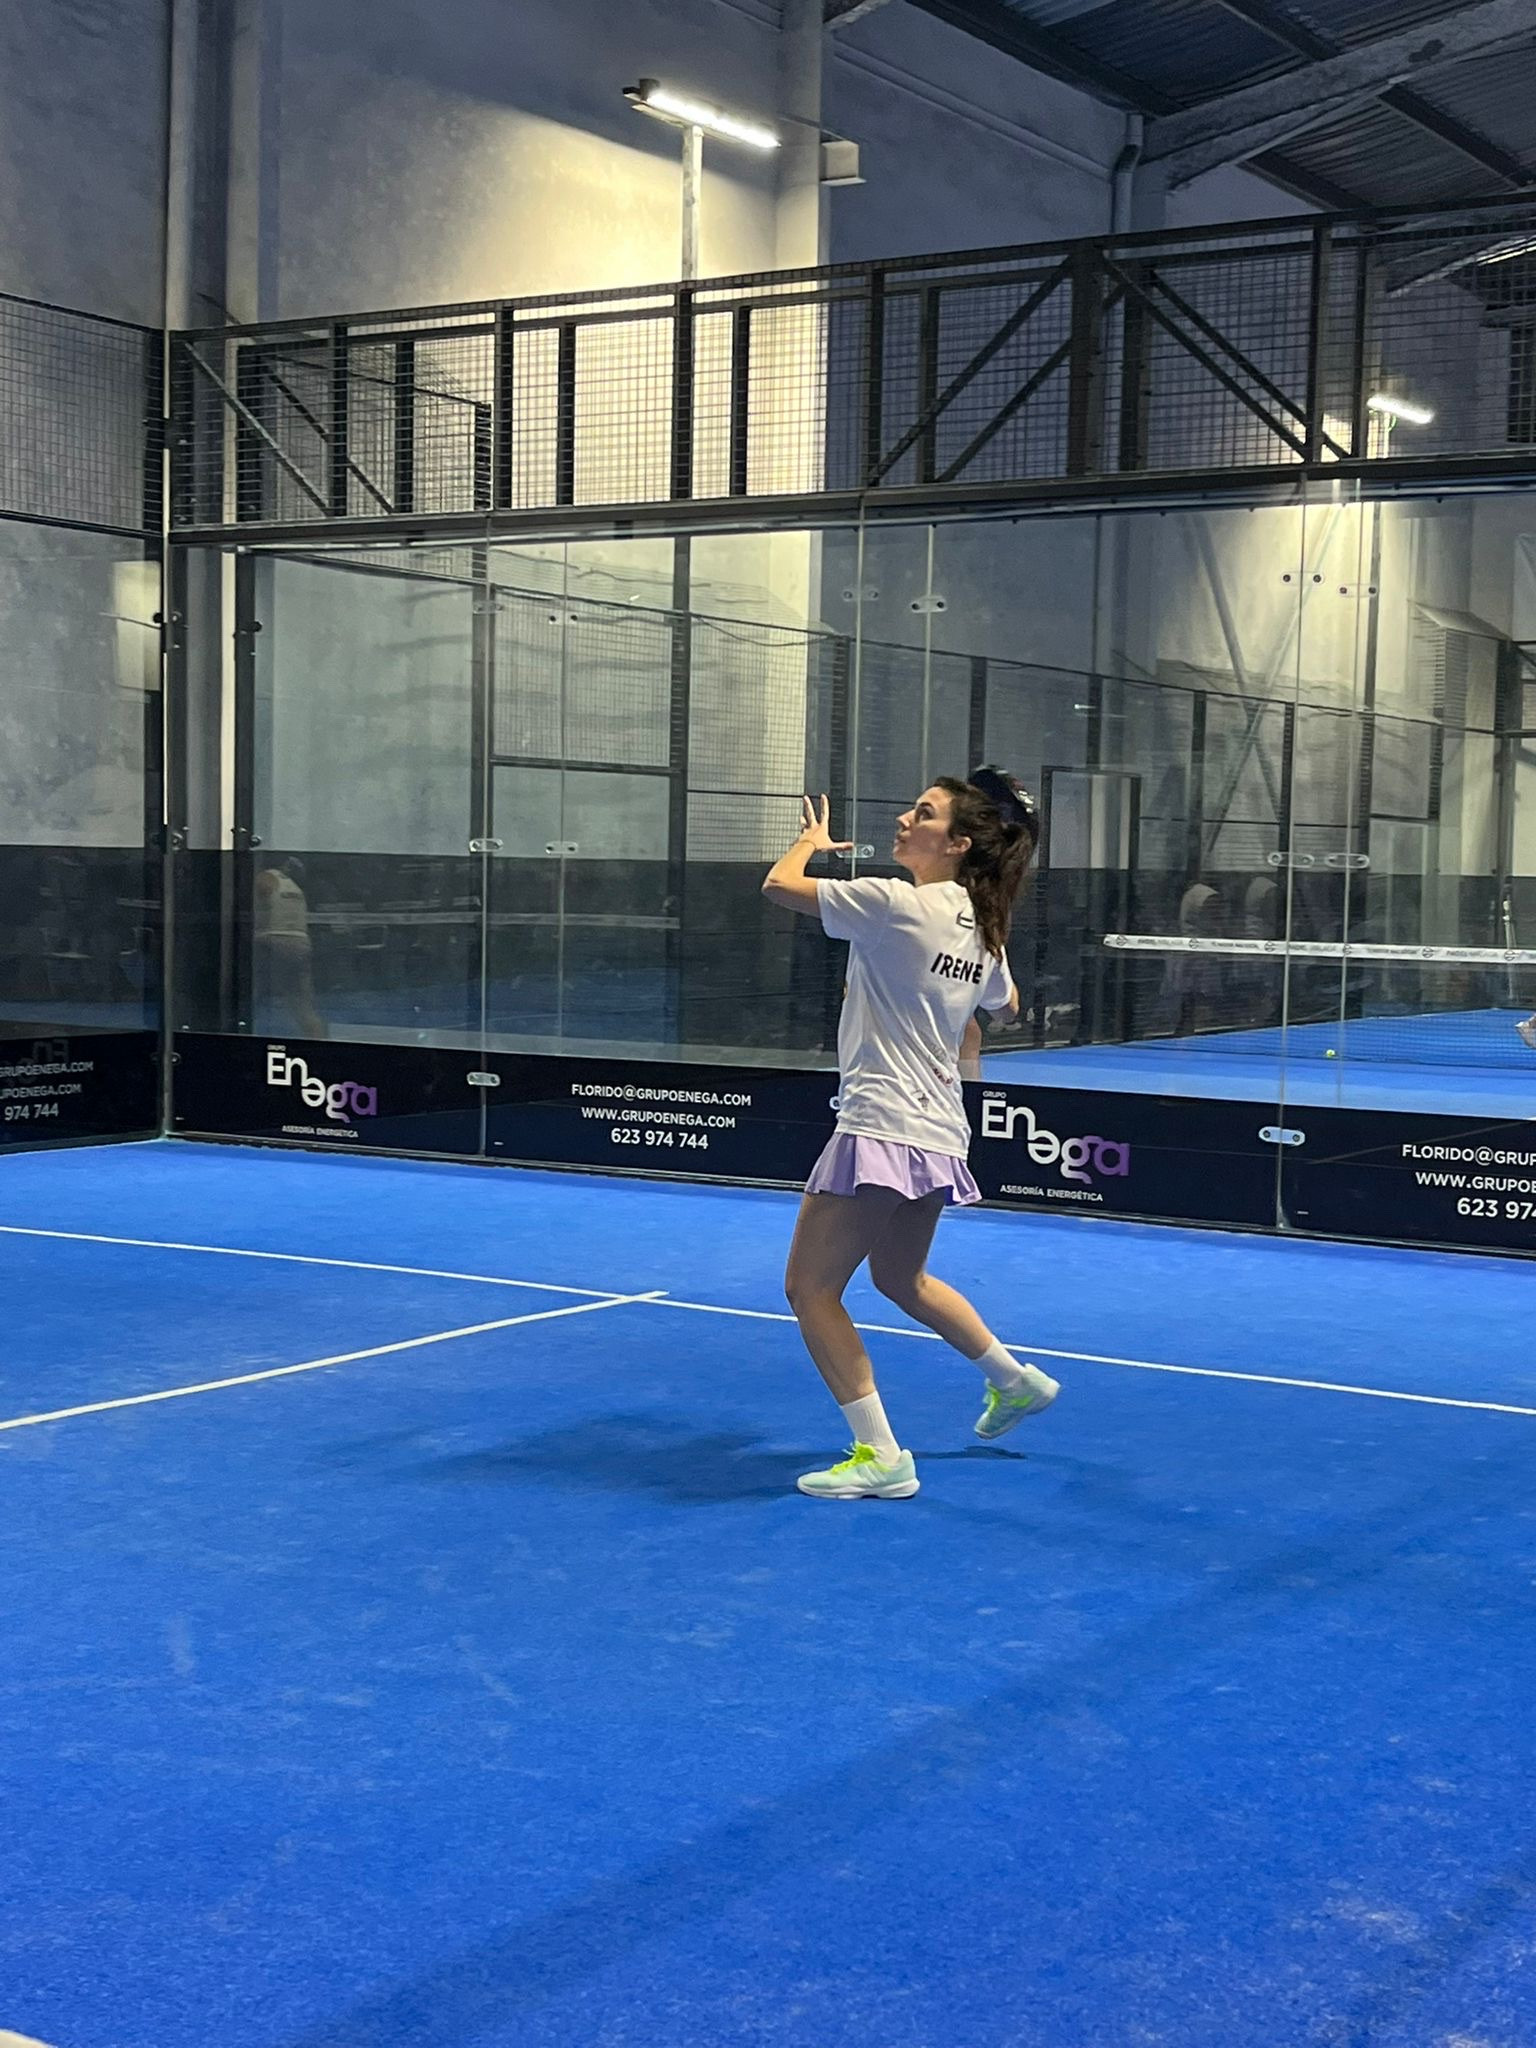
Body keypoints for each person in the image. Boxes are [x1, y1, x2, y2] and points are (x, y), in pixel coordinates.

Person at [762, 768, 1060, 1502]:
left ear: (957, 843)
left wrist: (809, 844)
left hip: (882, 1122)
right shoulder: (984, 929)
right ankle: (1014, 1381)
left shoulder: (894, 903)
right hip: (940, 1130)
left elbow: (778, 885)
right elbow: (1008, 1005)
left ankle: (882, 1456)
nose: (904, 819)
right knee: (900, 1278)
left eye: (923, 813)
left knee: (810, 1288)